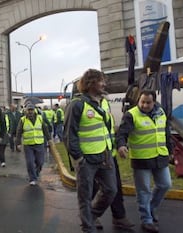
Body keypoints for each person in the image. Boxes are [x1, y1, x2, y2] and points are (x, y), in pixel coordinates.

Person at [64, 69, 117, 233]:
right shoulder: (77, 104)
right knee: (85, 196)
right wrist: (78, 158)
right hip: (86, 159)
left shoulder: (104, 102)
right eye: (101, 81)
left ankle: (91, 215)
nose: (104, 84)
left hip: (105, 156)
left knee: (111, 190)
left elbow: (106, 128)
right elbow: (68, 134)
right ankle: (88, 227)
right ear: (90, 83)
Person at [117, 89, 172, 233]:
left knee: (165, 184)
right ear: (138, 101)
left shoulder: (161, 113)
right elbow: (122, 133)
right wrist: (121, 145)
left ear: (154, 102)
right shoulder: (131, 115)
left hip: (160, 157)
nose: (145, 105)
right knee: (144, 191)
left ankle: (152, 208)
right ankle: (146, 219)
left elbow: (166, 133)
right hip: (141, 159)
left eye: (148, 102)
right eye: (142, 102)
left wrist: (170, 152)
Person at [15, 103, 52, 186]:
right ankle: (32, 178)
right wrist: (18, 144)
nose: (30, 111)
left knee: (40, 162)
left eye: (32, 110)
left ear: (34, 110)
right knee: (30, 162)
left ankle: (36, 173)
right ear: (26, 111)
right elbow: (18, 132)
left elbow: (45, 129)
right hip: (28, 145)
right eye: (29, 110)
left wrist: (49, 139)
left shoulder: (39, 118)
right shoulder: (23, 120)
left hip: (39, 143)